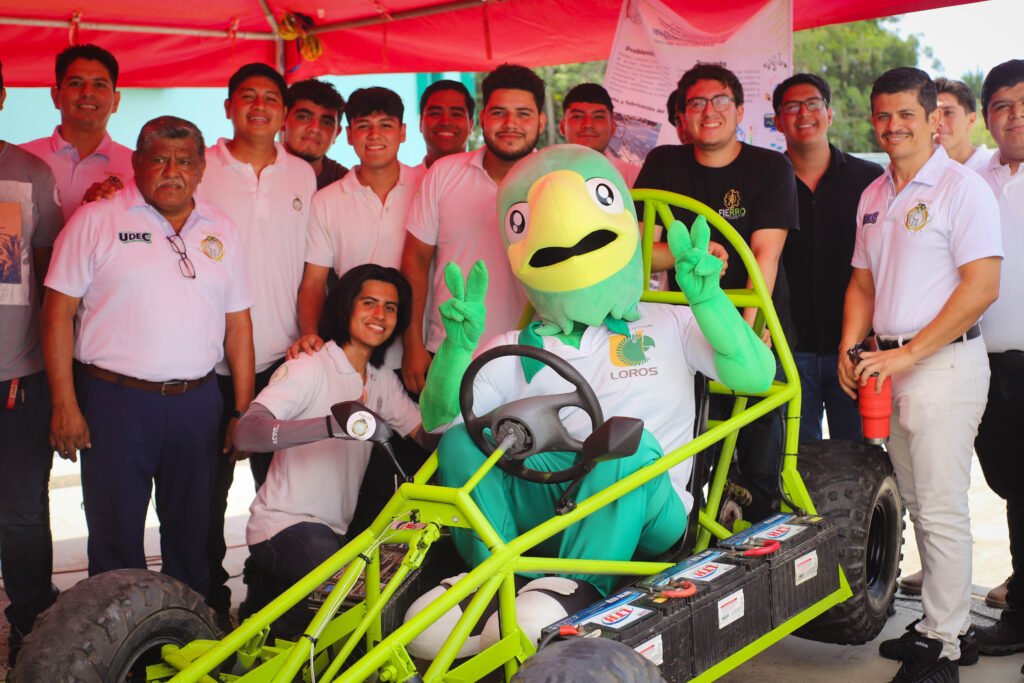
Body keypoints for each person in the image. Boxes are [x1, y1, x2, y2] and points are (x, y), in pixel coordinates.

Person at [404, 145, 775, 658]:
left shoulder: (669, 321)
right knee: (462, 445)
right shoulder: (512, 346)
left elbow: (756, 375)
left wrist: (708, 299)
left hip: (647, 505)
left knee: (622, 441)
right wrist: (456, 350)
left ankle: (578, 587)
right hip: (546, 498)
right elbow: (437, 420)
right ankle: (492, 578)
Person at [41, 116, 255, 598]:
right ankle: (121, 639)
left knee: (193, 532)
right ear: (137, 163)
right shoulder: (96, 220)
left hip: (197, 403)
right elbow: (56, 314)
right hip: (116, 402)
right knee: (115, 536)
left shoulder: (222, 229)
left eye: (184, 161)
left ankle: (187, 634)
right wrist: (64, 404)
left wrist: (244, 410)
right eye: (159, 159)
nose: (172, 171)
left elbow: (239, 324)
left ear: (201, 169)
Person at [839, 67, 1001, 682]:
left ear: (934, 119)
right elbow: (862, 283)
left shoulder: (962, 188)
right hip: (889, 367)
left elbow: (981, 287)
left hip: (944, 365)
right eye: (883, 115)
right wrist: (850, 346)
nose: (893, 126)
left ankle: (946, 645)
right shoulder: (874, 194)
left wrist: (905, 356)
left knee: (940, 508)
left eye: (906, 114)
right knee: (916, 502)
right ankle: (940, 622)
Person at [635, 63, 800, 522]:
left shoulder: (770, 167)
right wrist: (687, 256)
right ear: (683, 116)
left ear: (740, 111)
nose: (709, 111)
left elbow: (765, 255)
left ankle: (761, 535)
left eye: (720, 100)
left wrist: (747, 332)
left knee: (759, 459)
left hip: (752, 325)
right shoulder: (663, 163)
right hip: (685, 333)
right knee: (689, 459)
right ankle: (687, 537)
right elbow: (639, 252)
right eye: (697, 103)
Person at [235, 264, 429, 639]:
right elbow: (248, 434)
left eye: (390, 307)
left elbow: (426, 436)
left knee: (371, 602)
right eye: (369, 302)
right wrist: (332, 425)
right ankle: (261, 636)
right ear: (345, 307)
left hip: (331, 533)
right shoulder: (310, 365)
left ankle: (263, 633)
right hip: (283, 525)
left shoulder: (380, 381)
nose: (380, 314)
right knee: (349, 602)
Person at [195, 62, 316, 625]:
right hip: (206, 363)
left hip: (280, 361)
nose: (260, 106)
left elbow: (312, 269)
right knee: (205, 496)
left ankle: (268, 605)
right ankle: (206, 605)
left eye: (271, 97)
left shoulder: (301, 175)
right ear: (228, 107)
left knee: (280, 496)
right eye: (248, 96)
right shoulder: (199, 167)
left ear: (283, 112)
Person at [400, 63, 538, 394]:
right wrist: (412, 345)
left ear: (542, 121)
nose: (510, 124)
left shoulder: (556, 178)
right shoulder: (443, 173)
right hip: (452, 352)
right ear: (483, 118)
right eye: (499, 113)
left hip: (535, 353)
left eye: (523, 114)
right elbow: (415, 262)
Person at [772, 73, 882, 443]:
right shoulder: (765, 180)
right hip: (788, 348)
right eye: (792, 107)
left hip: (856, 349)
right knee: (794, 458)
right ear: (778, 121)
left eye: (812, 104)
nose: (804, 113)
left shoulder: (869, 179)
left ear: (829, 114)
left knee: (862, 455)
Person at [0, 63, 64, 667]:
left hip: (16, 376)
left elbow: (48, 282)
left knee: (21, 512)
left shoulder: (30, 173)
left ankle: (30, 621)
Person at [293, 87, 423, 362]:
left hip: (418, 351)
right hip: (352, 354)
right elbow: (314, 282)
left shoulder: (426, 188)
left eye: (385, 125)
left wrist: (417, 347)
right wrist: (310, 335)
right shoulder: (326, 201)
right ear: (349, 135)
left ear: (402, 132)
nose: (374, 135)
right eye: (363, 126)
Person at [970, 58, 1024, 658]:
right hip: (986, 366)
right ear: (987, 118)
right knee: (1013, 489)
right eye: (1002, 106)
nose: (1014, 116)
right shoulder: (970, 180)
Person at [21, 44, 132, 221]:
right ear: (55, 96)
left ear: (116, 101)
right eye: (76, 83)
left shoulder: (136, 168)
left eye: (99, 85)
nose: (87, 92)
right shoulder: (19, 159)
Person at [559, 83, 639, 186]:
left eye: (598, 117)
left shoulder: (634, 178)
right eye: (578, 116)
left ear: (613, 128)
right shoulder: (543, 172)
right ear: (562, 127)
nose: (588, 124)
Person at [283, 78, 348, 190]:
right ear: (282, 119)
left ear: (337, 133)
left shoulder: (346, 184)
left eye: (326, 122)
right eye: (303, 117)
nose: (315, 128)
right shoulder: (257, 170)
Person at [935, 77, 992, 171]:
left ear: (971, 120)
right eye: (932, 114)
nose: (938, 121)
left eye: (948, 112)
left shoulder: (996, 169)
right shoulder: (919, 171)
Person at [418, 79, 474, 170]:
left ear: (471, 125)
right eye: (435, 113)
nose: (445, 122)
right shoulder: (402, 178)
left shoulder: (488, 178)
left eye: (456, 114)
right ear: (420, 123)